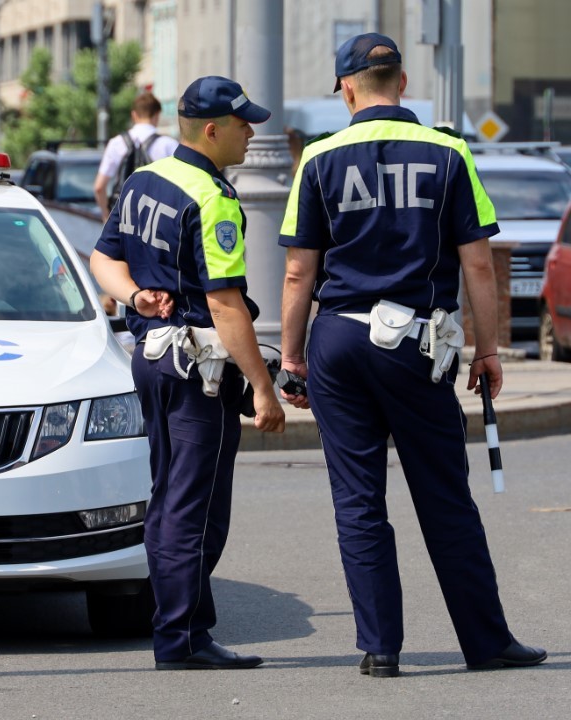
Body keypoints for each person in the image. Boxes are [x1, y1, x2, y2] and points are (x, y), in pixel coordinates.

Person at [278, 32, 546, 677]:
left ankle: (379, 648)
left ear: (347, 89)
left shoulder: (316, 157)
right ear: (401, 83)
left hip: (338, 339)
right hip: (415, 344)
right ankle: (486, 643)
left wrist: (291, 360)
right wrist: (487, 350)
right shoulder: (449, 152)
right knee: (444, 495)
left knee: (358, 499)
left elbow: (297, 273)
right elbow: (477, 262)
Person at [91, 75, 285, 671]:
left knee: (169, 496)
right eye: (242, 123)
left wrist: (134, 296)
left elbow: (104, 257)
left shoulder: (145, 180)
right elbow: (226, 306)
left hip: (153, 359)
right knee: (195, 509)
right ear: (211, 129)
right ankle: (181, 639)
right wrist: (261, 386)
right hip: (199, 368)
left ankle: (183, 632)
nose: (252, 132)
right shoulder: (213, 198)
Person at [93, 91, 179, 219]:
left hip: (123, 219)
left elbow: (99, 187)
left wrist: (107, 217)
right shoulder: (169, 145)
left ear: (134, 115)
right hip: (156, 221)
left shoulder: (116, 143)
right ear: (157, 115)